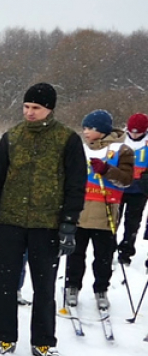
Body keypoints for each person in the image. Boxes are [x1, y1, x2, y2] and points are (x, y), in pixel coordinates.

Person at [0, 83, 86, 356]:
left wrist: (69, 224)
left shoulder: (67, 139)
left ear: (49, 108)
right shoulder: (12, 137)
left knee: (44, 285)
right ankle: (4, 337)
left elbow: (76, 184)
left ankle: (43, 342)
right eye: (26, 107)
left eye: (36, 107)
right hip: (11, 221)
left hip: (47, 224)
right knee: (4, 283)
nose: (29, 112)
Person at [63, 110, 132, 312]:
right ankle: (72, 286)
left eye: (90, 128)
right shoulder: (80, 149)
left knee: (103, 255)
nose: (85, 132)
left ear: (101, 130)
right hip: (80, 211)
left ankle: (101, 289)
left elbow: (126, 180)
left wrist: (106, 170)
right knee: (75, 253)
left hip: (106, 212)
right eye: (84, 127)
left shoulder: (122, 150)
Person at [116, 113, 148, 265]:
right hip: (119, 188)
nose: (134, 135)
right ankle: (109, 249)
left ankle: (126, 251)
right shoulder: (120, 140)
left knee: (133, 223)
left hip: (139, 190)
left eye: (138, 132)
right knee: (114, 220)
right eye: (132, 132)